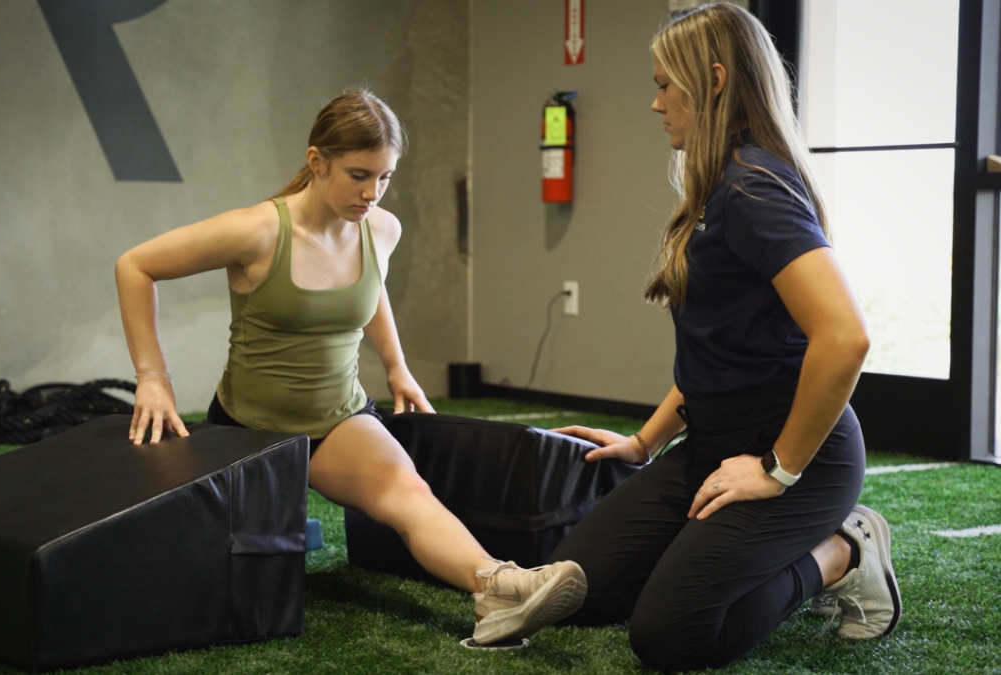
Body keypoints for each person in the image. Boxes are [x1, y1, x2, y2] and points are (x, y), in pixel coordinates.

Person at [115, 89, 586, 646]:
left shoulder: (381, 228)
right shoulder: (258, 230)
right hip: (248, 429)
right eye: (359, 175)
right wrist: (153, 377)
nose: (372, 193)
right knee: (204, 569)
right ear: (317, 162)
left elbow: (372, 290)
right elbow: (135, 266)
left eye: (385, 178)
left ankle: (499, 590)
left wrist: (397, 366)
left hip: (337, 417)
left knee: (410, 491)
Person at [547, 4, 901, 671]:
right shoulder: (716, 189)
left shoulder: (753, 189)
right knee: (579, 590)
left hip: (799, 461)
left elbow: (845, 335)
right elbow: (719, 353)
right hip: (710, 446)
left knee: (669, 635)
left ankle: (843, 552)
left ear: (711, 81)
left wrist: (778, 469)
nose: (655, 104)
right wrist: (644, 440)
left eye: (664, 85)